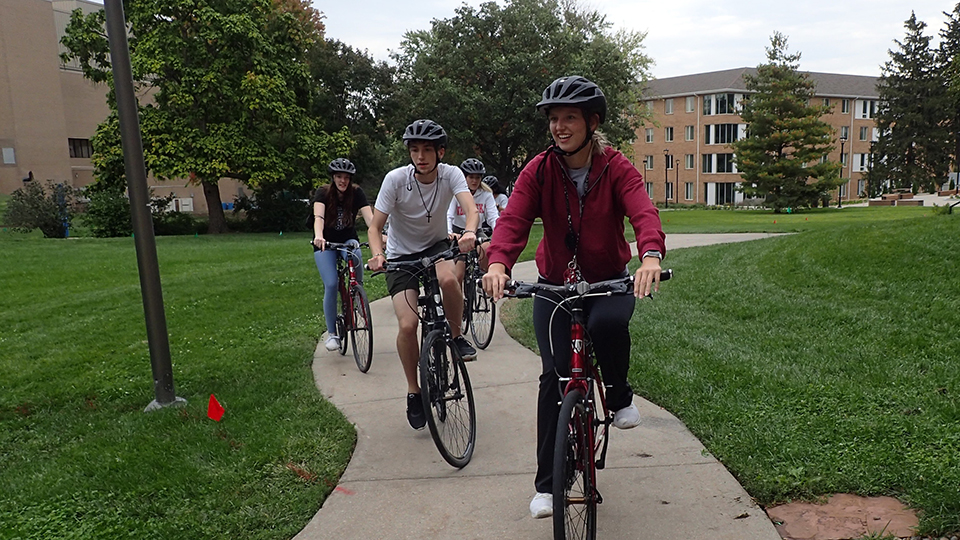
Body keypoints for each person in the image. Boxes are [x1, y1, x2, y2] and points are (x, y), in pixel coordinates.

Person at [482, 76, 666, 519]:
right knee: (555, 377)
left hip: (608, 282)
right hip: (554, 286)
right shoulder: (540, 169)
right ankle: (548, 485)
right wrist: (498, 263)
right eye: (554, 119)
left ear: (592, 121)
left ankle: (619, 396)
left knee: (606, 325)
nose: (560, 127)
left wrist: (651, 255)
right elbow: (513, 220)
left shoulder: (616, 166)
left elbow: (643, 211)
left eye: (569, 118)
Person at [366, 119, 481, 431]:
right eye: (414, 150)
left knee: (448, 279)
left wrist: (469, 231)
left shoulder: (451, 174)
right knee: (408, 323)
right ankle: (414, 391)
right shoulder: (395, 180)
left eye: (427, 150)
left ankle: (456, 338)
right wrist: (378, 254)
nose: (420, 156)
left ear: (440, 152)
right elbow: (375, 227)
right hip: (401, 255)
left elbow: (471, 209)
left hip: (437, 247)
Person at [311, 158, 375, 351]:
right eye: (339, 177)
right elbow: (318, 217)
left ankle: (357, 295)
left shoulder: (356, 193)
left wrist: (381, 235)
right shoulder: (323, 193)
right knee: (331, 284)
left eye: (346, 177)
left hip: (348, 239)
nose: (343, 181)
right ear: (333, 177)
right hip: (326, 243)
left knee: (355, 253)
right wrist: (319, 236)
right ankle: (332, 334)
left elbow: (370, 219)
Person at [448, 158, 500, 278]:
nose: (475, 181)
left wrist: (498, 231)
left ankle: (483, 278)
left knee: (486, 248)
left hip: (477, 230)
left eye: (477, 177)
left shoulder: (486, 194)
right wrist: (449, 232)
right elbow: (449, 215)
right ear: (464, 177)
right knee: (458, 273)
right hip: (457, 231)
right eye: (471, 177)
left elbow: (493, 216)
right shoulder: (455, 194)